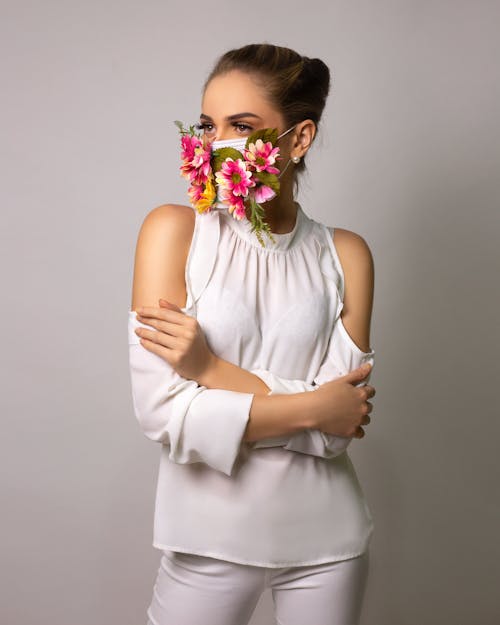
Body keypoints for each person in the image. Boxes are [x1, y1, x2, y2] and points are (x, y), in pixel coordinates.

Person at [128, 43, 376, 625]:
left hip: (329, 544)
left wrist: (209, 371)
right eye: (207, 126)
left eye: (241, 126)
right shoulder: (174, 232)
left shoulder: (347, 255)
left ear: (298, 138)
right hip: (205, 539)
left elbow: (339, 432)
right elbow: (164, 412)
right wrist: (315, 405)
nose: (216, 145)